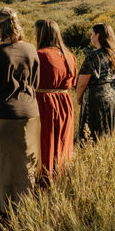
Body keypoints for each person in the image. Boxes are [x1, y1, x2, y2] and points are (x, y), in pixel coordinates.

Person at [0, 8, 40, 219]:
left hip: (2, 114)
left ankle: (5, 211)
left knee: (4, 163)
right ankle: (27, 208)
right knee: (28, 163)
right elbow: (35, 82)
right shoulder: (31, 49)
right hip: (30, 113)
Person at [34, 19, 77, 184]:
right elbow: (72, 83)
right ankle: (61, 177)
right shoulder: (69, 56)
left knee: (45, 143)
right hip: (65, 102)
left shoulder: (39, 55)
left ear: (41, 34)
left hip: (44, 102)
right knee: (62, 142)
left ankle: (44, 180)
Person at [76, 23, 115, 140]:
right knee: (114, 137)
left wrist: (79, 97)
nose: (90, 36)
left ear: (98, 35)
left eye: (92, 34)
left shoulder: (93, 56)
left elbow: (82, 83)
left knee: (94, 137)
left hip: (98, 101)